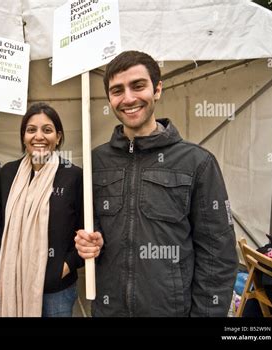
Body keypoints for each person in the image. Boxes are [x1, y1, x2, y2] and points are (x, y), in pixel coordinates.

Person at [75, 50, 238, 317]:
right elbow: (89, 226)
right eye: (117, 90)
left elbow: (217, 255)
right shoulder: (96, 161)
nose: (128, 98)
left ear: (158, 89)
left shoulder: (197, 162)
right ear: (109, 98)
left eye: (138, 86)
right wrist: (88, 240)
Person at [0, 102, 83, 317]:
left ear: (58, 137)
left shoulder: (73, 175)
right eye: (31, 129)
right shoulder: (8, 174)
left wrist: (63, 268)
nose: (39, 136)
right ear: (23, 136)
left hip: (57, 290)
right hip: (14, 282)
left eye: (47, 130)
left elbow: (85, 229)